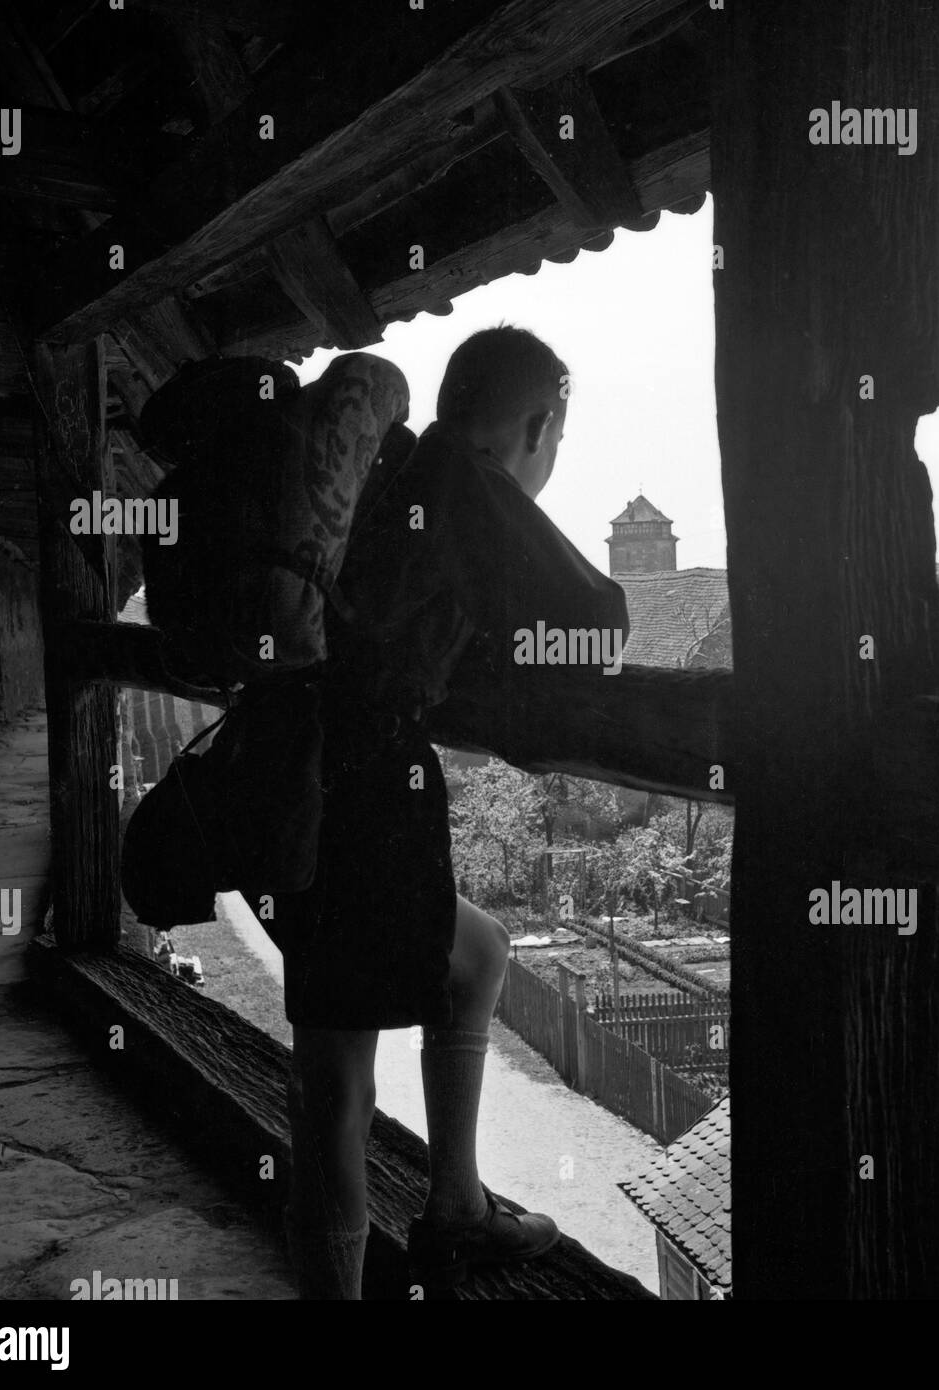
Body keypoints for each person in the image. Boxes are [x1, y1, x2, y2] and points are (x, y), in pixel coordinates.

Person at [251, 326, 630, 1298]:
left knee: (477, 954)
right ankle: (402, 1246)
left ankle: (456, 1200)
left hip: (290, 780)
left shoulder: (384, 477)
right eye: (552, 439)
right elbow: (591, 621)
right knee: (335, 1089)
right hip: (365, 807)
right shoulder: (466, 483)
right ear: (539, 424)